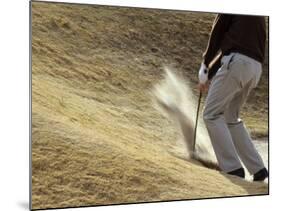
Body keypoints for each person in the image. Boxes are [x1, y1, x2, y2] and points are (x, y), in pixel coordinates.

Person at [198, 14, 268, 181]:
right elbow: (231, 46)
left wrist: (205, 65)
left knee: (211, 114)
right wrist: (209, 73)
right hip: (254, 68)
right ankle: (258, 168)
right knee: (230, 117)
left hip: (237, 63)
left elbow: (218, 34)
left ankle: (233, 169)